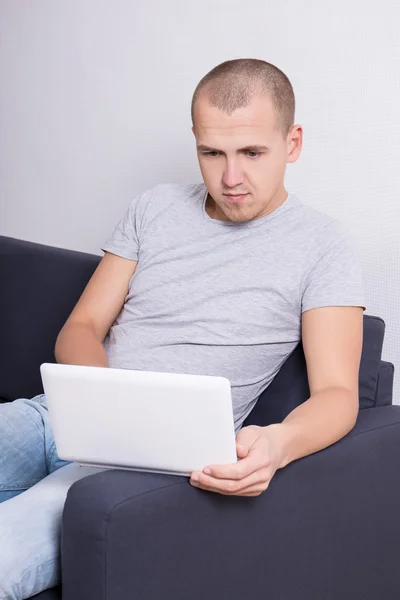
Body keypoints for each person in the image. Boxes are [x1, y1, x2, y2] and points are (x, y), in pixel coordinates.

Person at [0, 58, 365, 599]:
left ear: (293, 143)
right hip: (61, 416)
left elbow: (338, 394)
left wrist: (280, 443)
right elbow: (83, 324)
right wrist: (102, 400)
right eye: (211, 153)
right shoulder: (155, 207)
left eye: (252, 153)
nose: (231, 177)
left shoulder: (323, 245)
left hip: (155, 456)